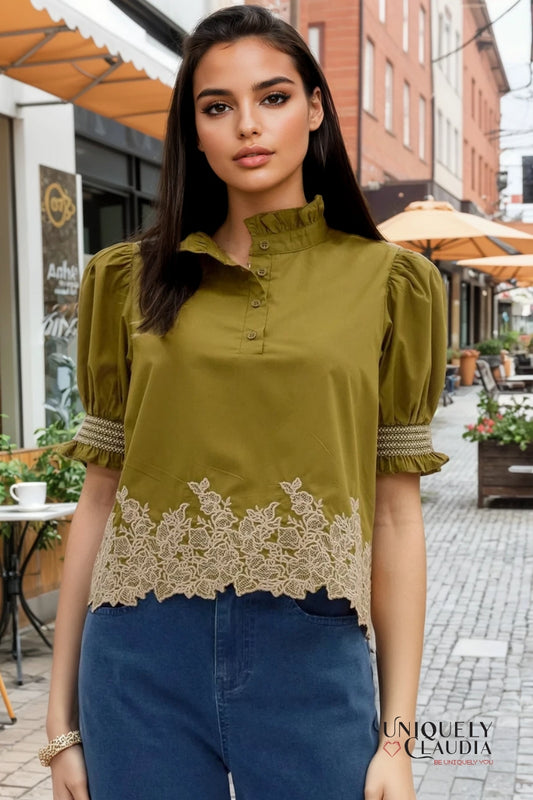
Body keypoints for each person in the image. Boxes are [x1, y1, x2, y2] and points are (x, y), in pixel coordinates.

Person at [41, 5, 448, 799]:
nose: (246, 127)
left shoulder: (388, 283)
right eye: (216, 106)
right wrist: (60, 726)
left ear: (315, 108)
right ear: (193, 130)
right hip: (138, 659)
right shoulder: (128, 279)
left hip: (312, 657)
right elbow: (100, 497)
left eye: (273, 97)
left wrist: (395, 738)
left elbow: (396, 514)